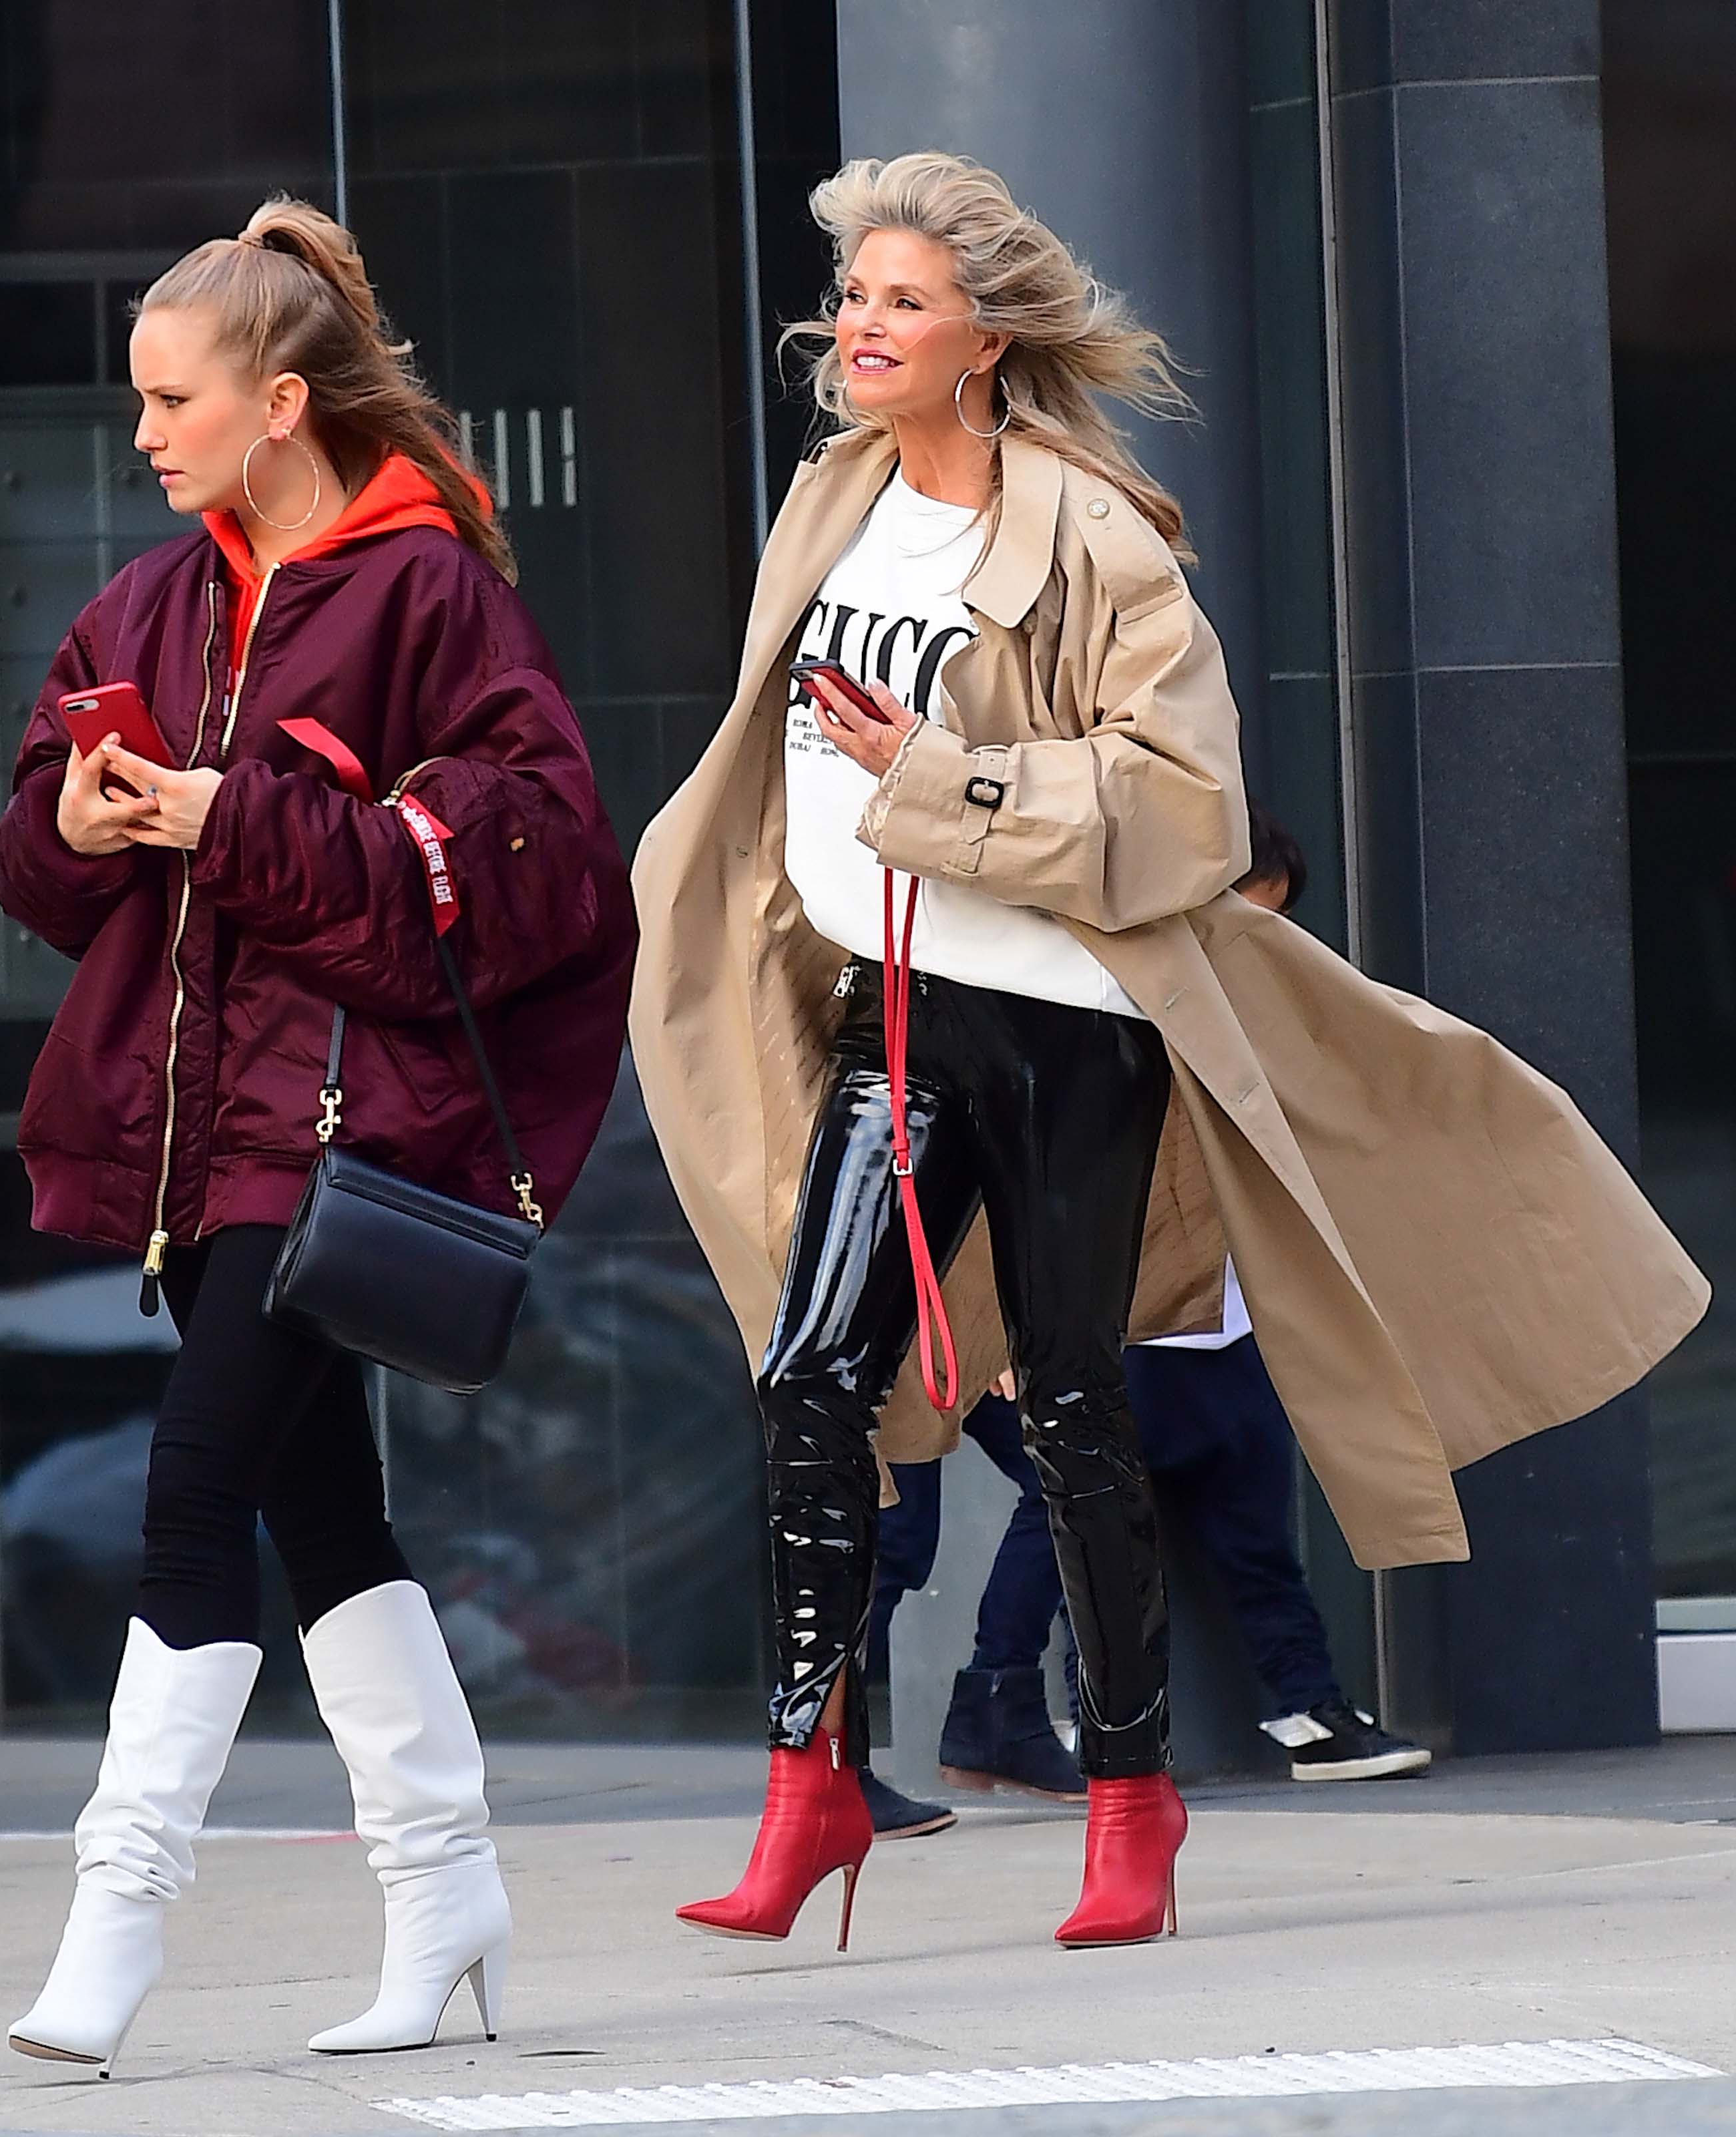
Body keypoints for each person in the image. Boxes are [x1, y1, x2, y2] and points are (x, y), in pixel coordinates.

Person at [628, 150, 1705, 1957]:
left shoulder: (1094, 536)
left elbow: (1188, 810)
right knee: (807, 1380)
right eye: (854, 295)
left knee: (1068, 1411)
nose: (858, 327)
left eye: (899, 299)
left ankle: (1131, 1796)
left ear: (986, 335)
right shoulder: (832, 504)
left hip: (1063, 1023)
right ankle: (808, 1788)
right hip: (877, 1011)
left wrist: (939, 780)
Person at [0, 196, 635, 2073]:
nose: (144, 436)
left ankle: (116, 1925)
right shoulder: (153, 599)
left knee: (195, 1490)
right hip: (202, 1135)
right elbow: (33, 855)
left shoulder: (433, 599)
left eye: (170, 402)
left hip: (346, 1129)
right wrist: (94, 826)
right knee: (318, 1505)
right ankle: (448, 1900)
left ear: (279, 403)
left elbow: (538, 878)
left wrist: (225, 820)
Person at [1125, 804, 1427, 1782]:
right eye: (1244, 918)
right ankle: (1004, 1707)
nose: (1256, 943)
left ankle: (1308, 1708)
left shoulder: (1251, 1022)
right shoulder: (1120, 1014)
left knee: (1251, 1534)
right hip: (1131, 1328)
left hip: (1228, 1326)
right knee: (1069, 1541)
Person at [863, 1405, 1084, 1840]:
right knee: (893, 1533)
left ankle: (1000, 1712)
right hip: (892, 1352)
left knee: (1069, 1476)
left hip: (965, 1343)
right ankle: (824, 1770)